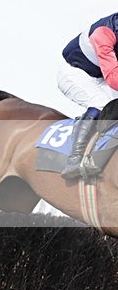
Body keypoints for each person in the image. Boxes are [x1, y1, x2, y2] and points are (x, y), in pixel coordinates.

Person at [57, 13, 118, 179]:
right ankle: (74, 159)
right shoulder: (104, 32)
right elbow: (113, 78)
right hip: (75, 72)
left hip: (101, 75)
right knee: (102, 103)